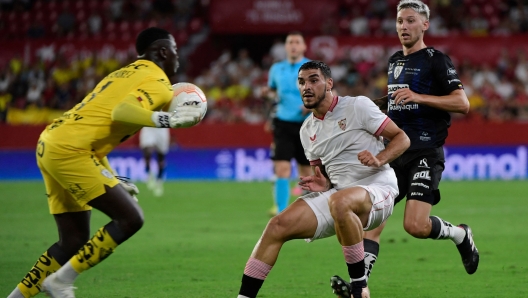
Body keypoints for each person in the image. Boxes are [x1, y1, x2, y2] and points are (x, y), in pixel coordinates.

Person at [7, 27, 203, 298]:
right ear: (162, 52)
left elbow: (97, 129)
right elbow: (120, 112)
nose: (177, 58)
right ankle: (61, 281)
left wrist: (115, 176)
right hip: (70, 150)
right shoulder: (157, 81)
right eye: (175, 51)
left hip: (51, 142)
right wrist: (167, 119)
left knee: (72, 241)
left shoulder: (123, 73)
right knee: (130, 219)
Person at [332, 0, 480, 295]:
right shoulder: (394, 61)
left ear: (425, 25)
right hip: (395, 152)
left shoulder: (437, 60)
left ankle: (461, 235)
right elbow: (397, 102)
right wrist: (368, 107)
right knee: (373, 221)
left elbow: (462, 103)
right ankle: (360, 287)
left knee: (415, 225)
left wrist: (420, 96)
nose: (404, 26)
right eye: (400, 21)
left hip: (425, 151)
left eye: (410, 21)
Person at [236, 61, 410, 298]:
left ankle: (359, 288)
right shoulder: (306, 130)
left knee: (340, 201)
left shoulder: (358, 106)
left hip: (378, 186)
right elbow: (326, 178)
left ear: (329, 83)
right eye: (301, 82)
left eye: (313, 80)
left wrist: (380, 158)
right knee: (277, 226)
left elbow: (402, 138)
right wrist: (324, 184)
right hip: (338, 195)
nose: (306, 87)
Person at [262, 31, 312, 216]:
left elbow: (325, 92)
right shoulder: (276, 69)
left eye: (297, 42)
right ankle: (281, 211)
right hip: (282, 123)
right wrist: (266, 93)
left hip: (306, 125)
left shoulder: (311, 67)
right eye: (290, 42)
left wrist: (311, 105)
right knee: (281, 167)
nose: (293, 45)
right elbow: (273, 94)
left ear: (304, 46)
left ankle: (308, 210)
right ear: (285, 46)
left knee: (306, 169)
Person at [139, 126, 170, 196]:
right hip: (149, 125)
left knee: (161, 157)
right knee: (147, 152)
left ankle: (159, 181)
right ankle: (149, 175)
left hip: (162, 127)